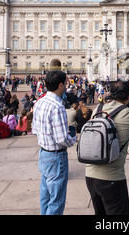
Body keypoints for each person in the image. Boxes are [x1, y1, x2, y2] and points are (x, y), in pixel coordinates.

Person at [85, 80, 129, 215]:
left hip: (90, 175)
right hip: (112, 177)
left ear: (110, 94)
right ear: (128, 96)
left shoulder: (98, 109)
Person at [32, 70, 76, 215]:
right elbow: (61, 139)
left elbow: (35, 128)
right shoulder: (58, 106)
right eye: (66, 83)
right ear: (60, 85)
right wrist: (74, 139)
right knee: (56, 201)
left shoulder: (40, 102)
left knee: (45, 197)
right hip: (56, 156)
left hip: (43, 152)